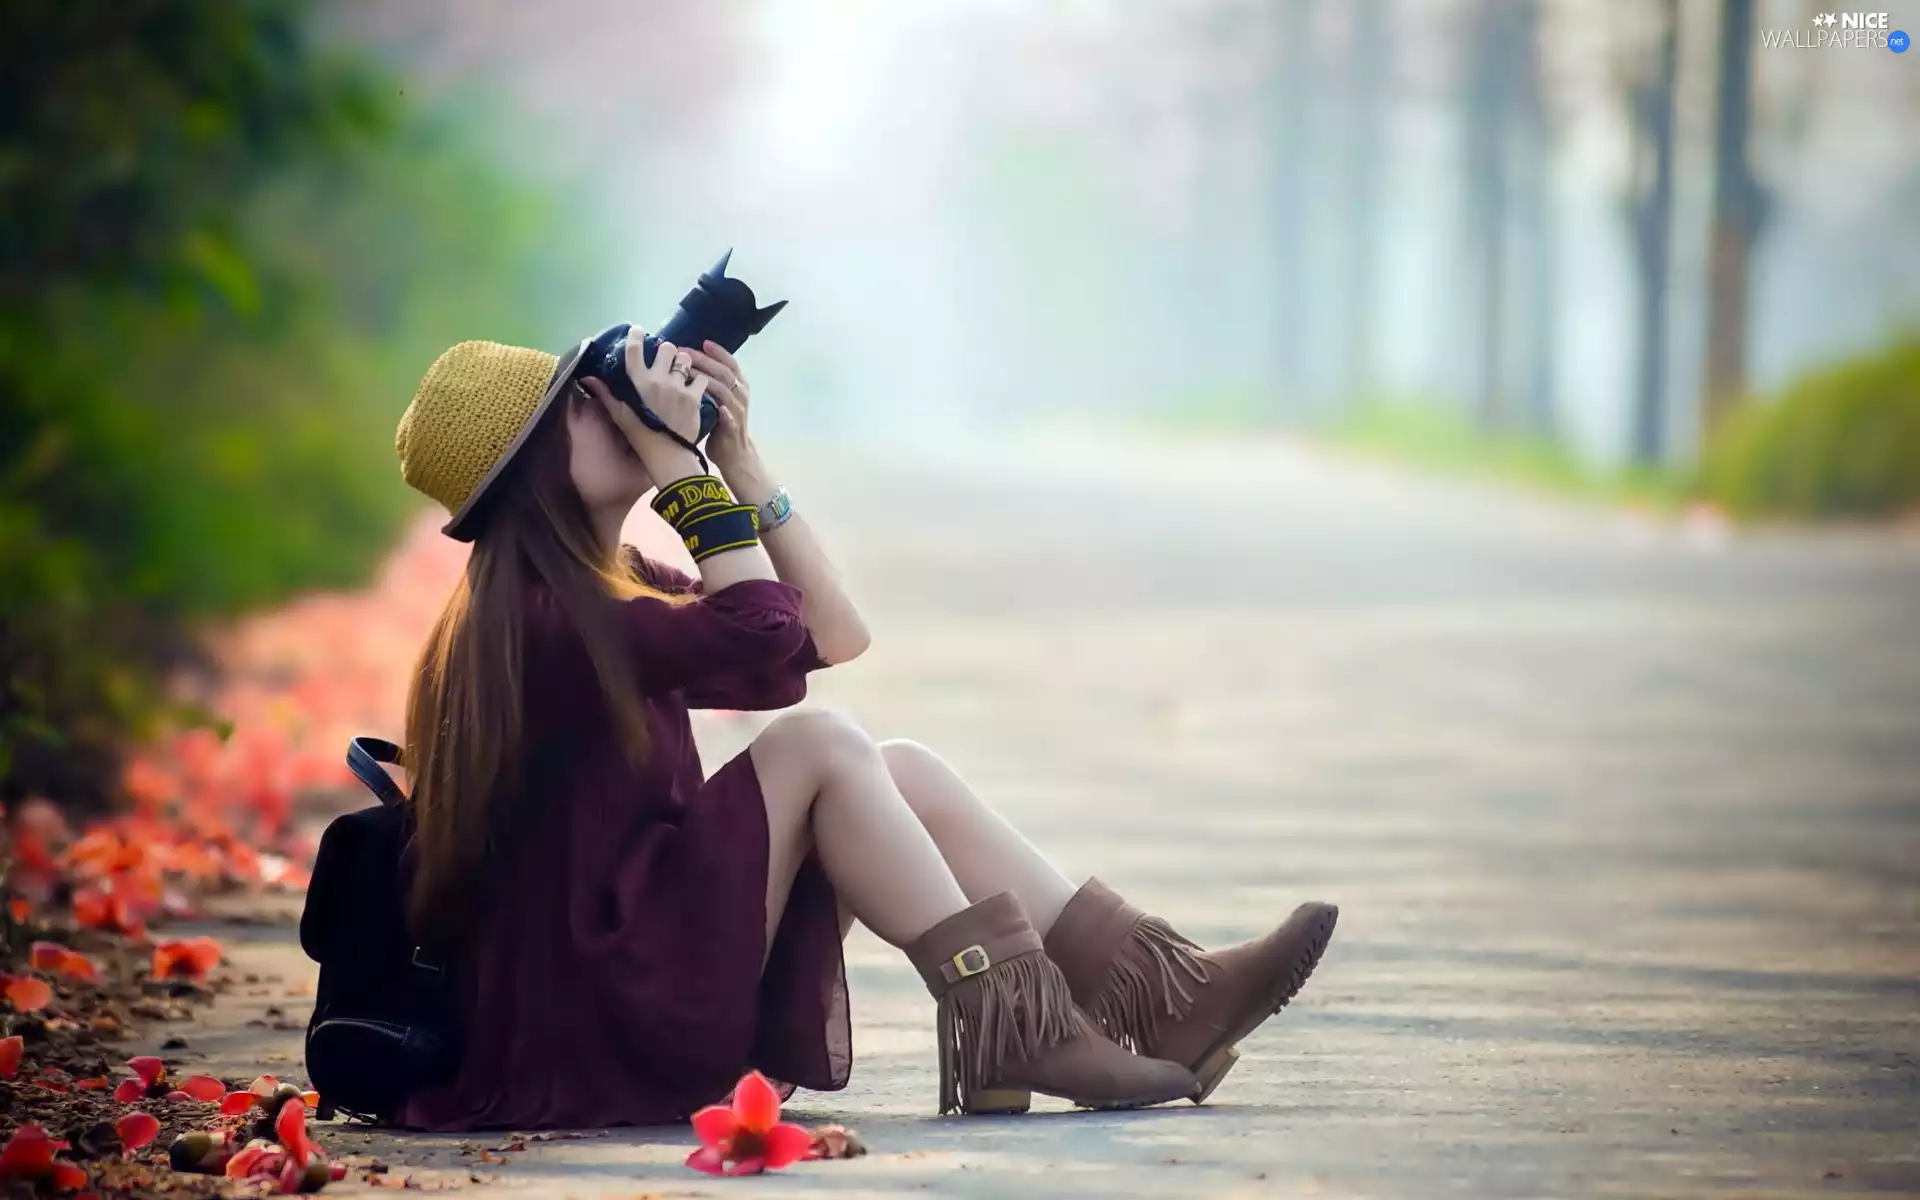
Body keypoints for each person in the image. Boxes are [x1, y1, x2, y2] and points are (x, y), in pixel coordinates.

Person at [389, 331, 1339, 1130]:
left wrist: (742, 463)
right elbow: (764, 637)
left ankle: (1160, 997)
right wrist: (681, 467)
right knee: (823, 747)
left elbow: (832, 635)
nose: (623, 409)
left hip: (641, 975)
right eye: (589, 406)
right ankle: (1023, 1023)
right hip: (608, 1019)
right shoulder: (540, 620)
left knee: (901, 769)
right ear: (528, 472)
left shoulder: (604, 585)